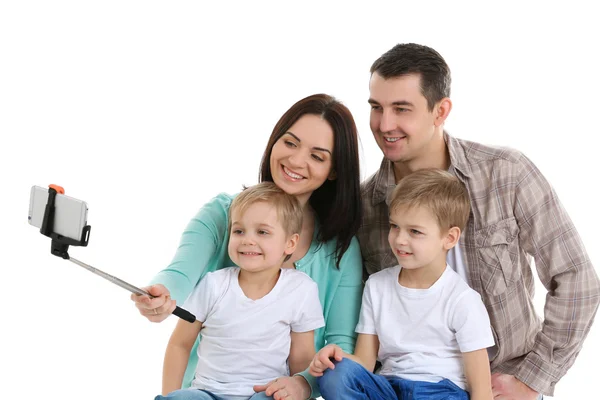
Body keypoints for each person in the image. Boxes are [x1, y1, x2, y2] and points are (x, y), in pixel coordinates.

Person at [357, 43, 600, 398]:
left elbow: (577, 279)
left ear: (441, 111)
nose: (384, 124)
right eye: (376, 107)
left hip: (504, 380)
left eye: (401, 109)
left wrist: (532, 378)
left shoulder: (505, 173)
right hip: (410, 386)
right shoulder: (365, 207)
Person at [132, 93, 364, 400]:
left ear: (334, 170)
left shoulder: (340, 249)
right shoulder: (220, 215)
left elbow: (339, 348)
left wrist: (304, 383)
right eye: (290, 143)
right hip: (205, 390)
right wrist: (161, 294)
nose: (296, 161)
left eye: (317, 156)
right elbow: (179, 274)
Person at [310, 169, 495, 400]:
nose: (399, 239)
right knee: (335, 375)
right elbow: (365, 362)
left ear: (449, 238)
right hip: (388, 389)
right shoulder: (377, 286)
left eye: (415, 231)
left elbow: (481, 389)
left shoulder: (463, 300)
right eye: (394, 226)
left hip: (440, 391)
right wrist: (336, 356)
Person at [156, 182, 325, 400]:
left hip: (265, 393)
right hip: (208, 393)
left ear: (290, 243)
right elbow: (180, 344)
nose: (248, 240)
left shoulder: (301, 290)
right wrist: (171, 395)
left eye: (262, 232)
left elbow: (301, 358)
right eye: (239, 230)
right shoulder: (213, 285)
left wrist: (297, 390)